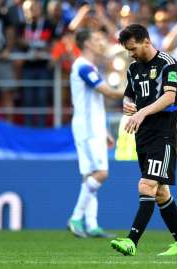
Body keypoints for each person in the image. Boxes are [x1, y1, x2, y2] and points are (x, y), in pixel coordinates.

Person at [110, 24, 177, 256]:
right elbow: (130, 93)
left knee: (146, 185)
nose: (131, 54)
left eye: (133, 48)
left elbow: (169, 96)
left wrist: (141, 112)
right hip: (143, 135)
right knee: (160, 192)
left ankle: (131, 241)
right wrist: (127, 102)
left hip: (162, 134)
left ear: (146, 41)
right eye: (127, 50)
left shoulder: (167, 63)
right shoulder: (134, 68)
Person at [67, 28, 123, 238]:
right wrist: (132, 91)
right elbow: (106, 91)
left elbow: (96, 102)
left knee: (89, 177)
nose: (102, 42)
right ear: (88, 43)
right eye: (98, 38)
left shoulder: (89, 66)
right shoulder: (82, 66)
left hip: (94, 127)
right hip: (88, 128)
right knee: (101, 174)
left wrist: (105, 129)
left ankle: (91, 224)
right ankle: (75, 217)